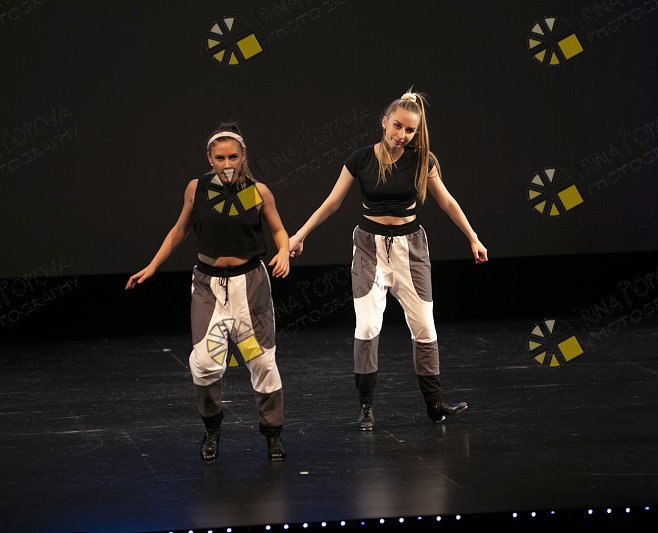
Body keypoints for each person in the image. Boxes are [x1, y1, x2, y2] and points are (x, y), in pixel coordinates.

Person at [288, 89, 488, 431]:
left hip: (411, 249)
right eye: (397, 126)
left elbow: (448, 202)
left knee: (424, 326)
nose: (402, 134)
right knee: (367, 327)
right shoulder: (361, 159)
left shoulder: (422, 160)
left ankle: (434, 404)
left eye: (410, 130)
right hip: (369, 248)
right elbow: (331, 203)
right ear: (384, 122)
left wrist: (473, 237)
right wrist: (300, 234)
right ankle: (366, 407)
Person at [126, 123, 291, 462]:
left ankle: (272, 432)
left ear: (243, 156)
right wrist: (153, 265)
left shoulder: (255, 192)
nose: (227, 164)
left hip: (249, 286)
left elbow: (278, 230)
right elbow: (180, 229)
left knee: (260, 360)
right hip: (208, 287)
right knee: (204, 363)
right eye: (220, 158)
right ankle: (212, 428)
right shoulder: (197, 189)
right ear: (209, 158)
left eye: (233, 157)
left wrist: (284, 251)